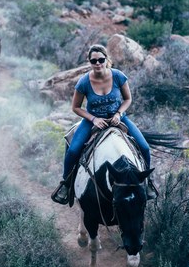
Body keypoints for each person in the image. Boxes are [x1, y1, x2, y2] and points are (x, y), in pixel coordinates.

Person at [53, 44, 155, 204]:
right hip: (92, 121)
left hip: (118, 118)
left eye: (101, 59)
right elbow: (75, 107)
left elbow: (128, 99)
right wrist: (93, 119)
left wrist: (118, 114)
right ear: (90, 62)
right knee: (73, 151)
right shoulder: (84, 82)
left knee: (144, 147)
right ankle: (66, 184)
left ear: (107, 59)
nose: (98, 63)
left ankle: (148, 183)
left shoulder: (119, 76)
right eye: (94, 61)